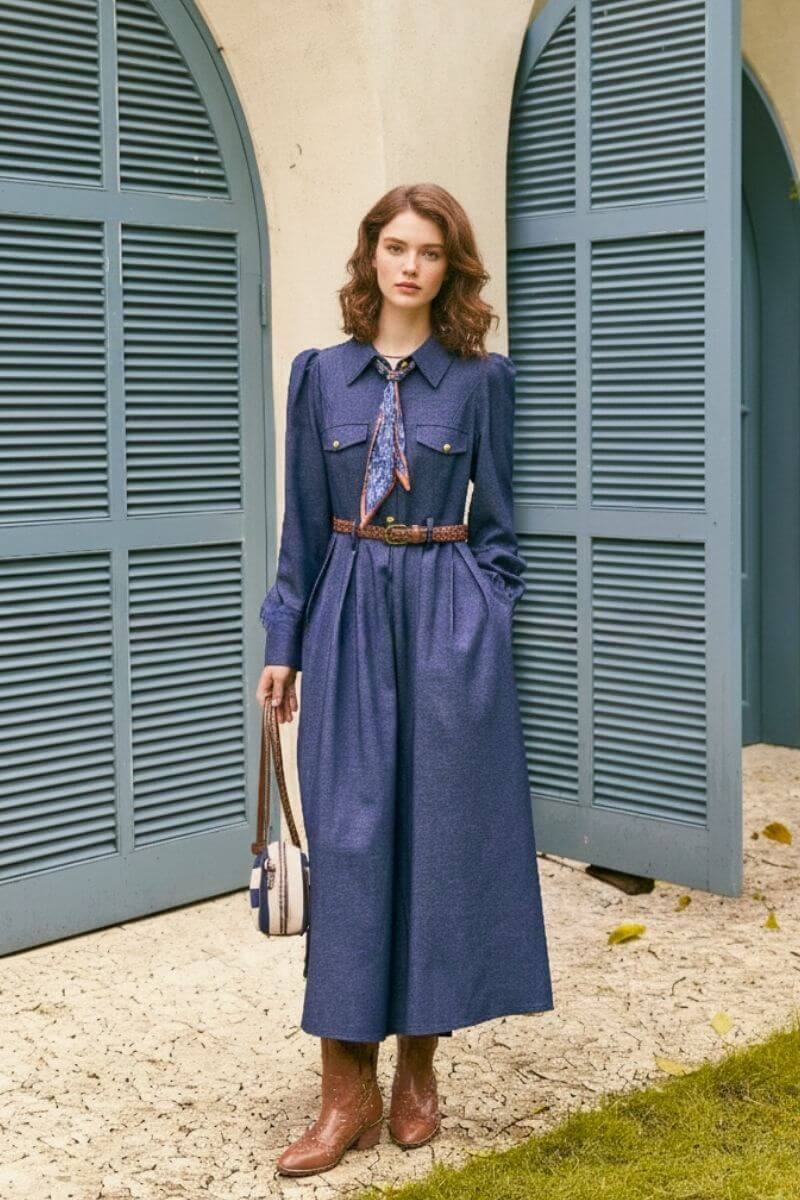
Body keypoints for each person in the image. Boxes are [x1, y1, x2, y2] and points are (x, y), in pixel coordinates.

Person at [256, 182, 554, 1177]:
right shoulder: (317, 377)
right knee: (348, 842)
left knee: (437, 843)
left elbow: (504, 528)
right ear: (370, 256)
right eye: (395, 245)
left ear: (449, 267)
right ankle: (344, 1091)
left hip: (446, 621)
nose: (410, 264)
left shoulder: (480, 379)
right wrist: (281, 640)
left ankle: (419, 1066)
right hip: (344, 614)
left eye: (429, 250)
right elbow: (300, 526)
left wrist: (482, 616)